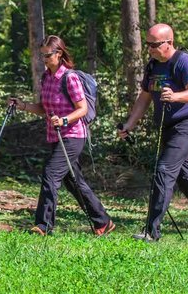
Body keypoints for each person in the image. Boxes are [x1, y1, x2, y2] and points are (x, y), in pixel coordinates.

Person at [117, 23, 188, 241]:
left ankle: (152, 231)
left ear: (169, 43)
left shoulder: (184, 62)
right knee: (185, 178)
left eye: (155, 45)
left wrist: (174, 96)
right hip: (167, 127)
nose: (150, 49)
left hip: (187, 126)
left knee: (164, 170)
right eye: (148, 45)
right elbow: (145, 97)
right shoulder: (153, 66)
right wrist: (130, 124)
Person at [9, 35, 114, 236]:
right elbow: (43, 108)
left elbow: (82, 109)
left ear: (59, 54)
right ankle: (103, 222)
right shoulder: (46, 77)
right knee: (74, 181)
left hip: (73, 135)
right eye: (42, 56)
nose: (44, 59)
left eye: (47, 55)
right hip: (55, 136)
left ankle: (43, 225)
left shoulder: (70, 77)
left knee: (50, 173)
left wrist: (65, 120)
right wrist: (22, 105)